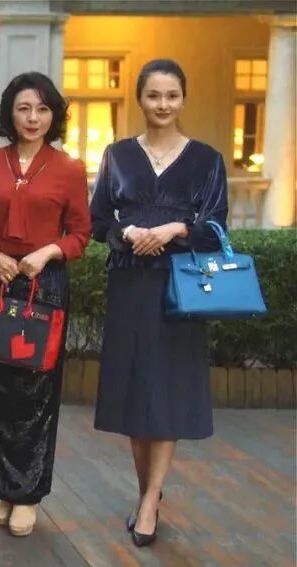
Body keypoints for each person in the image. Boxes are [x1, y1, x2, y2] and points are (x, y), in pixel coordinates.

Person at [90, 59, 228, 548]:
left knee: (165, 392)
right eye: (153, 95)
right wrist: (128, 231)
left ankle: (149, 500)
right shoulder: (118, 155)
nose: (163, 104)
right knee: (135, 392)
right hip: (129, 284)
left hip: (180, 288)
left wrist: (175, 229)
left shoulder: (207, 159)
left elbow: (216, 226)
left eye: (171, 95)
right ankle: (146, 489)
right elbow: (98, 219)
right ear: (140, 99)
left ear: (182, 99)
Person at [0, 72, 90, 537]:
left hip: (44, 284)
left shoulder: (69, 169)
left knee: (35, 394)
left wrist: (47, 252)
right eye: (23, 108)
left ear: (54, 115)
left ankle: (28, 494)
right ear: (9, 114)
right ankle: (3, 487)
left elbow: (81, 234)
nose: (33, 117)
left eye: (42, 108)